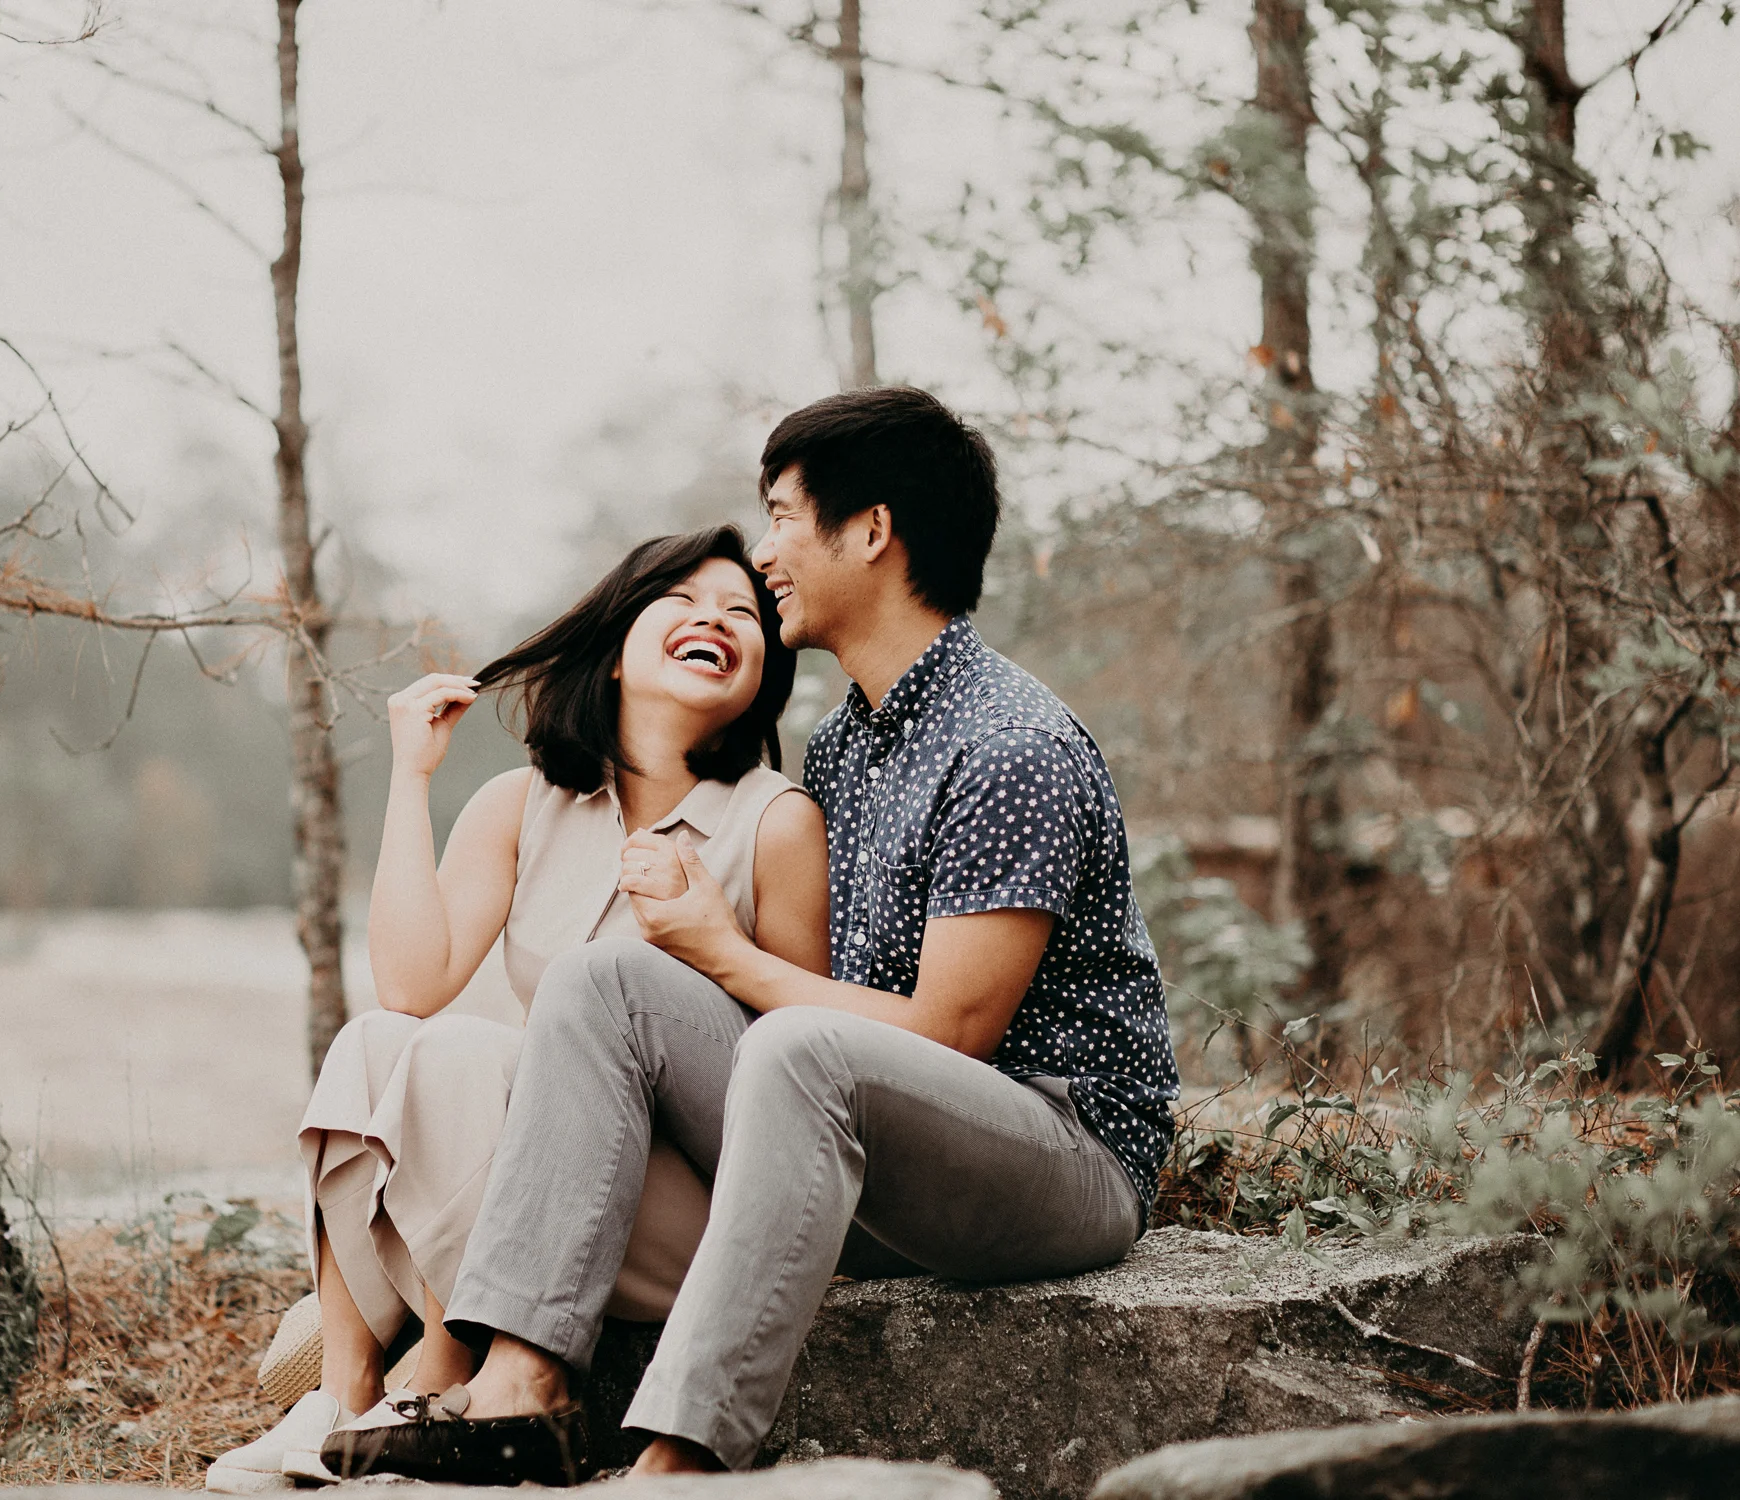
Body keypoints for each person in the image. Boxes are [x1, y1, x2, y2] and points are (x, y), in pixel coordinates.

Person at [346, 387, 1180, 1486]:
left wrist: (716, 945)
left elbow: (952, 1033)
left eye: (784, 517)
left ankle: (681, 1461)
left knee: (792, 1043)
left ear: (871, 532)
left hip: (1058, 1158)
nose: (769, 553)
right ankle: (523, 1385)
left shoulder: (1008, 745)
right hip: (879, 1156)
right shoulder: (845, 745)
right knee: (604, 978)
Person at [203, 526, 830, 1493]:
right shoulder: (524, 803)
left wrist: (716, 941)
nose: (716, 619)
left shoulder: (773, 821)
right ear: (615, 647)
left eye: (744, 613)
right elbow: (411, 986)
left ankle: (448, 1378)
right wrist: (411, 776)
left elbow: (798, 1063)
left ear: (760, 680)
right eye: (684, 600)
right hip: (547, 1203)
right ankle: (345, 1390)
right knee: (379, 1037)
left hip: (678, 1208)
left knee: (461, 1054)